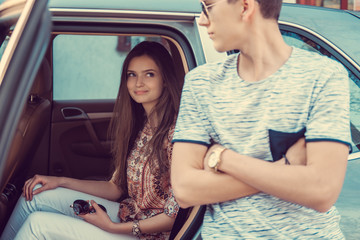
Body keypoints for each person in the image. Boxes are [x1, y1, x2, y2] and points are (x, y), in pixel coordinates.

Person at [171, 0, 350, 239]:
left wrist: (223, 158)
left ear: (245, 6)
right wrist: (284, 168)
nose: (203, 19)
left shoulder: (323, 76)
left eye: (208, 6)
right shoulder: (200, 83)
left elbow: (322, 191)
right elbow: (184, 189)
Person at [1, 41, 182, 240]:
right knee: (35, 194)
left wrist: (112, 227)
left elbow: (173, 216)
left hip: (150, 235)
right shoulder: (143, 125)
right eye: (132, 75)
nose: (138, 83)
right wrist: (60, 181)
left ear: (165, 79)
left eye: (149, 74)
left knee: (37, 225)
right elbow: (115, 188)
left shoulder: (177, 135)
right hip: (128, 214)